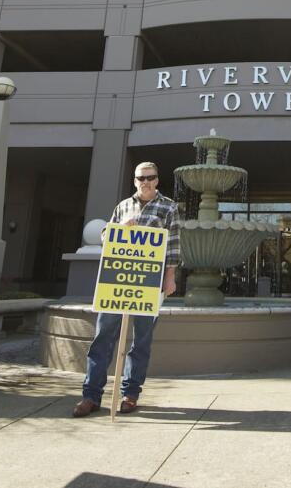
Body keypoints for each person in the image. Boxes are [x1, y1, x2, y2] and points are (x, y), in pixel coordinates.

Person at [72, 162, 180, 418]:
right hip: (118, 281)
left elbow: (173, 244)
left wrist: (170, 278)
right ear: (134, 180)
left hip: (150, 281)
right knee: (103, 337)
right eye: (141, 177)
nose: (146, 181)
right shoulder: (123, 206)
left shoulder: (169, 207)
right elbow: (105, 236)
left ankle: (130, 394)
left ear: (157, 180)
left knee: (141, 340)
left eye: (151, 177)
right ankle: (91, 396)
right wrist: (121, 228)